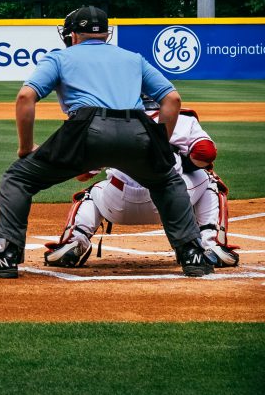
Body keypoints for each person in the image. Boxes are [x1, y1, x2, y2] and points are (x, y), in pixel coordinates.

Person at [0, 6, 217, 279]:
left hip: (85, 130)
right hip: (137, 129)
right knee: (167, 181)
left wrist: (26, 148)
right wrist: (159, 144)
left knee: (17, 179)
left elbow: (25, 98)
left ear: (73, 34)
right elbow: (172, 100)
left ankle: (4, 256)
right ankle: (192, 254)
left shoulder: (60, 57)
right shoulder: (132, 58)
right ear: (106, 34)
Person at [43, 97, 240, 268]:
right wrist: (184, 160)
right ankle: (211, 243)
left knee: (91, 192)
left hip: (117, 205)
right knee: (210, 181)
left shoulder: (111, 120)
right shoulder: (182, 119)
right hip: (172, 204)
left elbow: (83, 174)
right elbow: (205, 153)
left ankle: (75, 240)